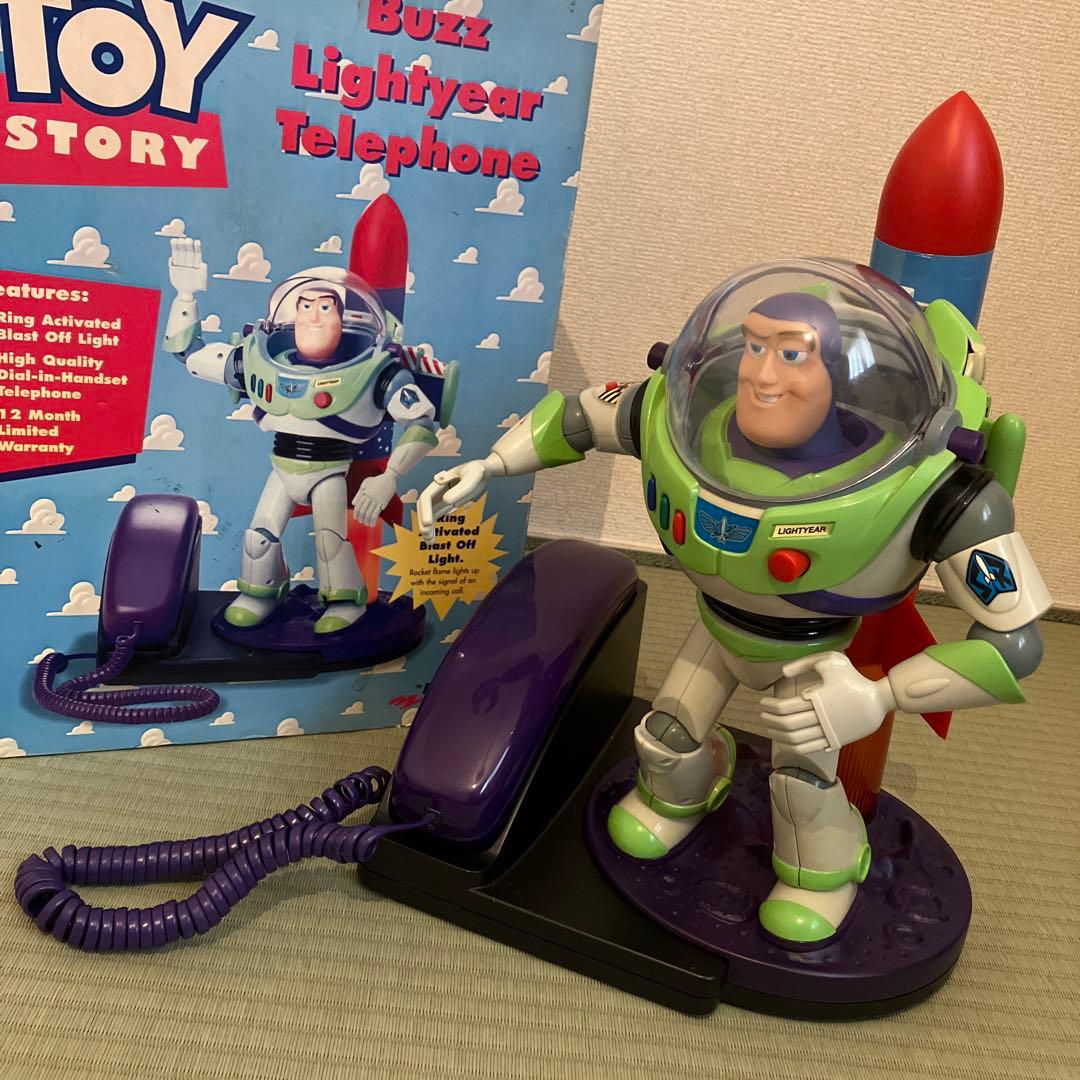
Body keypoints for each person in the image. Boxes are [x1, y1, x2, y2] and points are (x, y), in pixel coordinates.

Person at [417, 261, 1050, 945]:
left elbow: (1014, 645)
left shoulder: (931, 487)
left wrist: (879, 696)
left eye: (791, 355)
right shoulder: (681, 416)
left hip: (812, 655)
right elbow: (578, 418)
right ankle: (683, 795)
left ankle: (825, 875)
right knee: (666, 737)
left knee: (801, 783)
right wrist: (491, 465)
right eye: (753, 346)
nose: (761, 375)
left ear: (839, 377)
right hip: (717, 630)